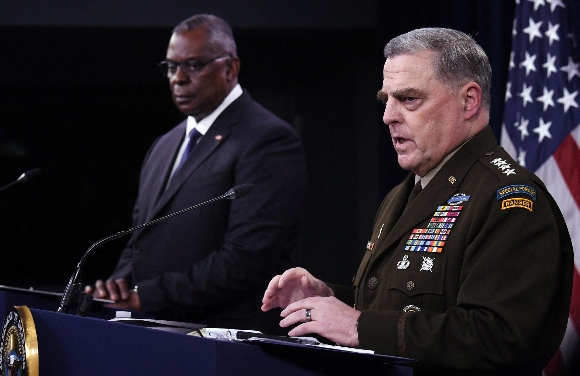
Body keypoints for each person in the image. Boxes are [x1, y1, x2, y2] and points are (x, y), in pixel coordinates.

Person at [262, 28, 573, 374]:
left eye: (409, 99)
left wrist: (357, 326)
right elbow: (398, 307)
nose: (388, 116)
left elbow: (497, 337)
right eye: (386, 100)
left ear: (468, 101)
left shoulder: (508, 199)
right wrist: (328, 301)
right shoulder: (406, 191)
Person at [86, 14, 308, 333]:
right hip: (151, 330)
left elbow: (246, 260)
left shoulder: (267, 140)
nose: (178, 78)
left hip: (222, 340)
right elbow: (141, 240)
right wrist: (118, 286)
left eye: (193, 65)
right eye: (171, 67)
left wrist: (145, 296)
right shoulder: (164, 146)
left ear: (230, 68)